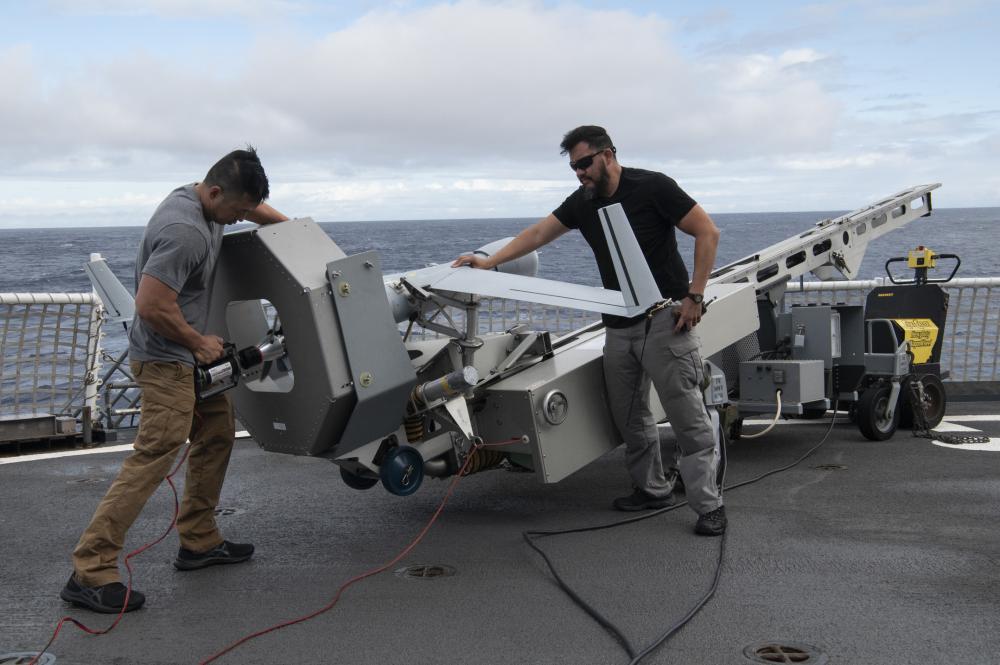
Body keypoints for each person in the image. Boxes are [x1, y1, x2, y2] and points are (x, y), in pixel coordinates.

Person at [452, 125, 726, 536]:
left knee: (688, 417)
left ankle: (709, 506)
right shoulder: (584, 202)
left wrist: (696, 295)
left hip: (667, 320)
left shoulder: (653, 187)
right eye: (574, 167)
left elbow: (707, 231)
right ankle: (652, 489)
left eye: (584, 164)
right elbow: (539, 233)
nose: (580, 174)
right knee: (630, 416)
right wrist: (487, 262)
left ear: (608, 155)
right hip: (619, 325)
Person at [61, 147, 290, 613]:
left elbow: (254, 207)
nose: (241, 219)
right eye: (238, 211)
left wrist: (296, 231)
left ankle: (199, 540)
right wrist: (198, 342)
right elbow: (150, 306)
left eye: (247, 212)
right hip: (167, 358)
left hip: (189, 357)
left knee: (217, 434)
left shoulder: (210, 199)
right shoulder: (184, 230)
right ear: (214, 192)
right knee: (154, 455)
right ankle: (91, 568)